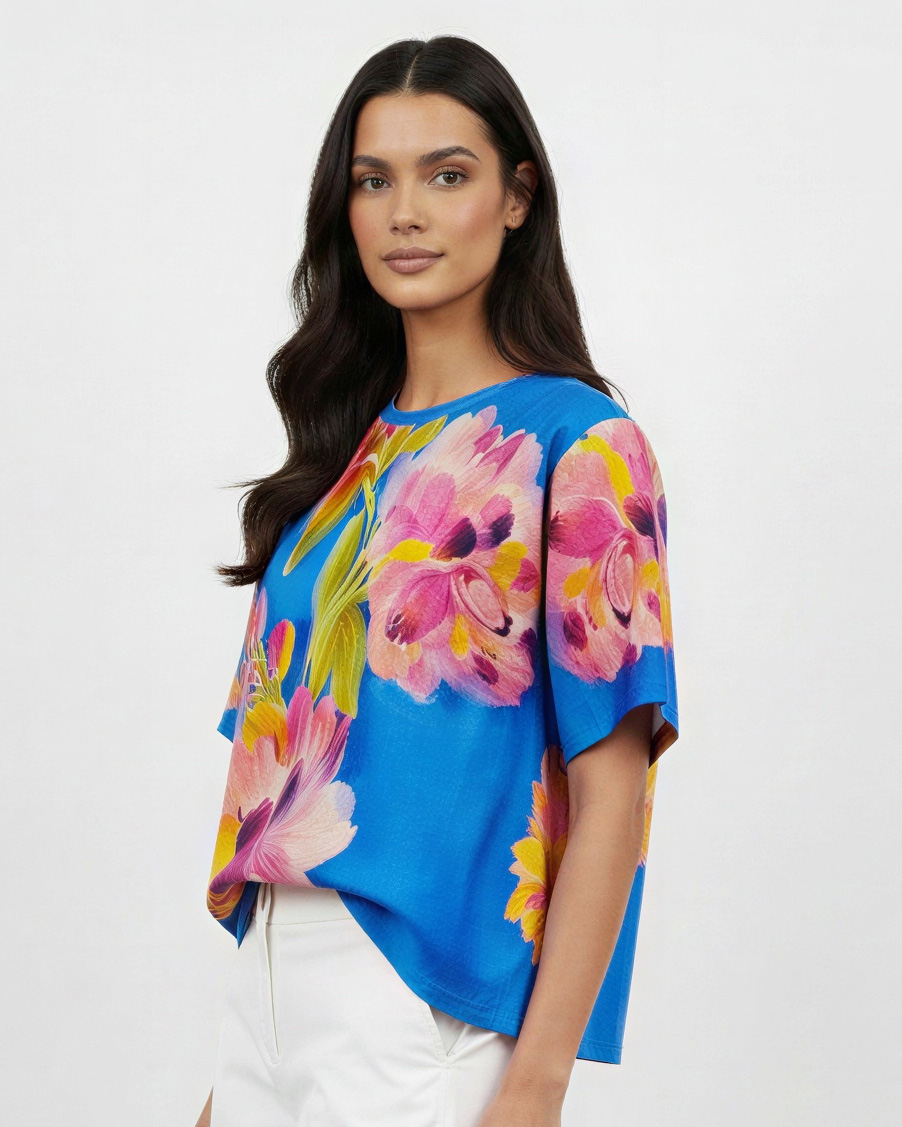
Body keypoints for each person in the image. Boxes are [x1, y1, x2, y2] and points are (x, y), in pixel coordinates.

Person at [195, 33, 680, 1127]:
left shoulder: (579, 444)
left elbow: (611, 788)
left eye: (446, 175)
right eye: (374, 181)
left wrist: (536, 1083)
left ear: (517, 198)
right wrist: (236, 1073)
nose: (404, 213)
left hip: (418, 1004)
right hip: (268, 987)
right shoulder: (339, 465)